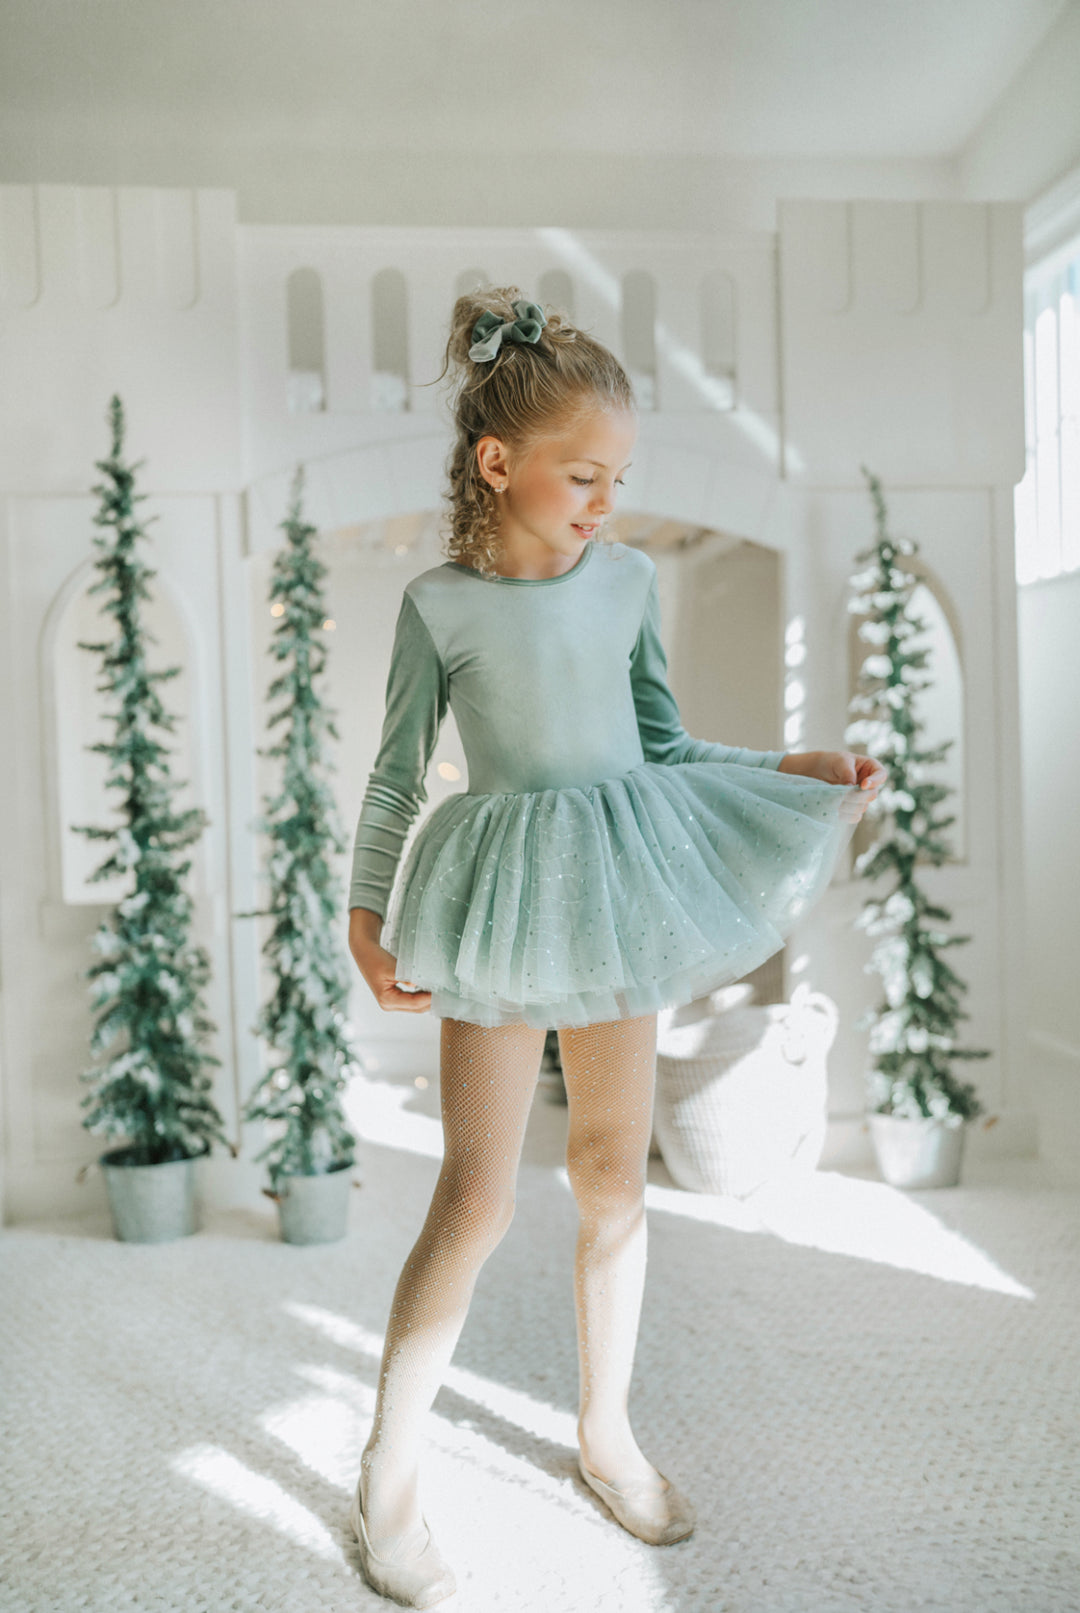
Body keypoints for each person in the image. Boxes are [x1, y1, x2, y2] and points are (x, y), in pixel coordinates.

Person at [346, 287, 886, 1606]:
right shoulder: (442, 606)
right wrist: (366, 913)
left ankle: (606, 1434)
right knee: (476, 1197)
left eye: (618, 477)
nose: (604, 498)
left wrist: (785, 763)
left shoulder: (631, 579)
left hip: (616, 882)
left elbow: (666, 743)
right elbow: (392, 777)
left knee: (611, 1174)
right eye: (584, 474)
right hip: (497, 891)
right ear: (499, 464)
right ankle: (388, 1478)